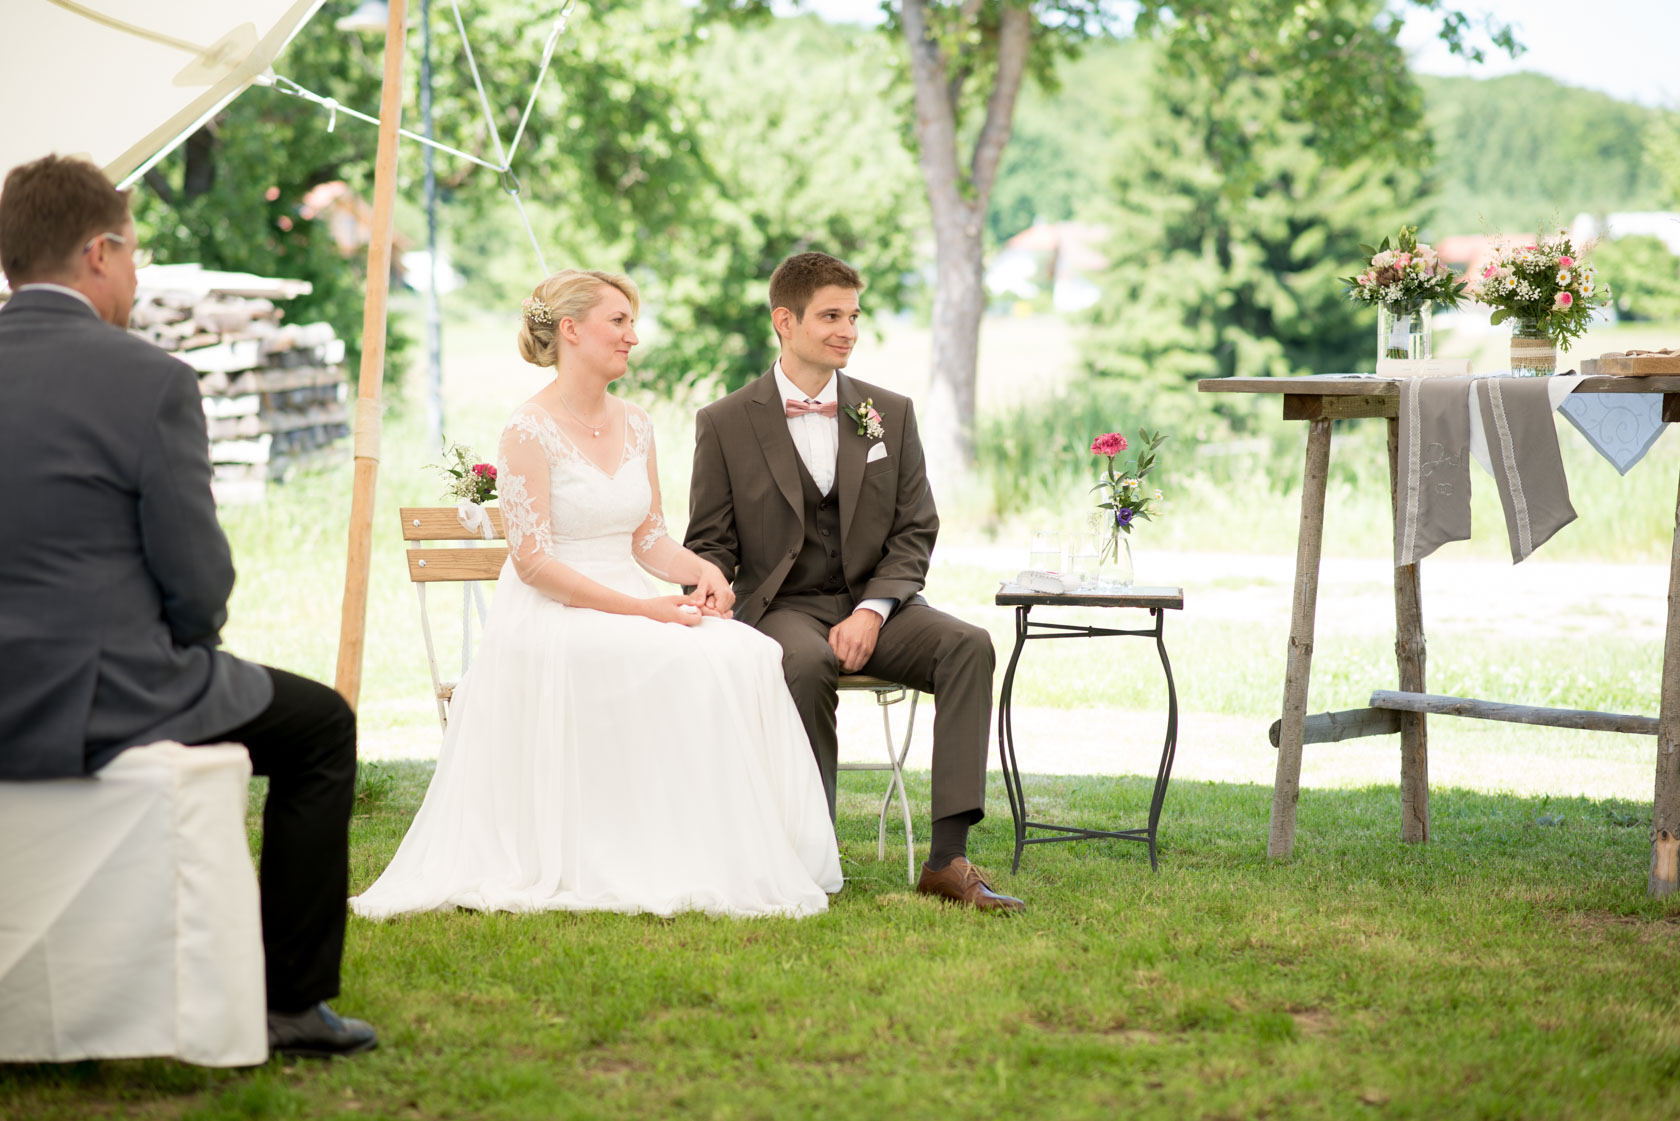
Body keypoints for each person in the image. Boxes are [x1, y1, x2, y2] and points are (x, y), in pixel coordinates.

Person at [0, 155, 376, 1058]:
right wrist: (193, 651)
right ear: (99, 251)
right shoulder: (147, 378)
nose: (134, 274)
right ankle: (291, 1000)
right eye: (131, 253)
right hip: (98, 691)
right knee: (321, 725)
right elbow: (198, 578)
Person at [350, 269, 841, 920]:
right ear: (572, 331)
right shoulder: (527, 429)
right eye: (619, 322)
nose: (633, 337)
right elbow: (532, 562)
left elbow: (648, 539)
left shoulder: (636, 423)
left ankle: (719, 848)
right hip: (551, 613)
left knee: (743, 653)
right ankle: (643, 847)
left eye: (632, 323)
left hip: (631, 598)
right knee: (683, 657)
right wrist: (645, 609)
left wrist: (701, 573)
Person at [684, 251, 1023, 914]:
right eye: (830, 316)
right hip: (783, 606)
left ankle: (947, 860)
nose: (848, 330)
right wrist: (710, 585)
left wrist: (872, 609)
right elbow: (710, 542)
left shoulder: (887, 412)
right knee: (803, 663)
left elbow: (914, 530)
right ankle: (808, 854)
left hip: (878, 604)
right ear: (785, 320)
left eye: (854, 315)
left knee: (969, 645)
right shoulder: (723, 422)